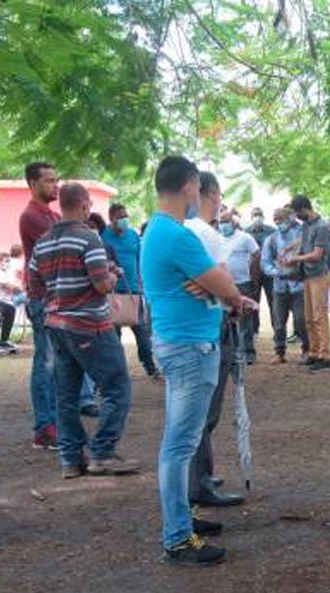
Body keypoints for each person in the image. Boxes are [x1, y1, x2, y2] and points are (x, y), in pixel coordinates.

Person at [141, 155, 246, 567]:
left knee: (179, 441)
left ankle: (182, 520)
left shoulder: (157, 230)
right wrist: (224, 291)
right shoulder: (178, 235)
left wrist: (216, 289)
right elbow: (224, 282)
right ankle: (178, 538)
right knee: (179, 445)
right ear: (189, 186)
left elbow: (215, 285)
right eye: (197, 189)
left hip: (179, 344)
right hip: (189, 349)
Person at [28, 182, 139, 479]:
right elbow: (102, 284)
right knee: (117, 387)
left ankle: (70, 459)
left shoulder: (43, 242)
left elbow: (35, 288)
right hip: (90, 326)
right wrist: (113, 275)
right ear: (84, 205)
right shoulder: (88, 238)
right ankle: (102, 453)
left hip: (57, 327)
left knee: (66, 396)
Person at [184, 171, 247, 507]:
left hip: (195, 328)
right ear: (213, 194)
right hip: (209, 330)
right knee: (204, 414)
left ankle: (201, 474)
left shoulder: (184, 231)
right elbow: (222, 281)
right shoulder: (206, 233)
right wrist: (235, 299)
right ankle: (199, 484)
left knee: (196, 413)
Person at [18, 161, 60, 450]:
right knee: (45, 362)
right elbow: (61, 247)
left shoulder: (53, 214)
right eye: (48, 181)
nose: (55, 185)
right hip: (42, 297)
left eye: (56, 180)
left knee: (56, 363)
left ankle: (54, 421)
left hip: (56, 297)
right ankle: (43, 427)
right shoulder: (31, 216)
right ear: (32, 184)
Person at [101, 203, 160, 379]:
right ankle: (117, 370)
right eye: (121, 217)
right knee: (114, 333)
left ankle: (150, 366)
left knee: (141, 330)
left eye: (126, 216)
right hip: (113, 292)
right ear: (112, 218)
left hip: (134, 290)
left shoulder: (133, 235)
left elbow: (140, 260)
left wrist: (142, 283)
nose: (125, 220)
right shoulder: (103, 237)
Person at [284, 194, 330, 371]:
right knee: (309, 318)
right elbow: (305, 241)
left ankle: (324, 355)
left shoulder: (322, 227)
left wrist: (296, 258)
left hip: (319, 275)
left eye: (297, 212)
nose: (296, 217)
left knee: (318, 316)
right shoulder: (308, 225)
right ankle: (314, 352)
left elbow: (317, 254)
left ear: (304, 209)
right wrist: (291, 247)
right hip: (307, 275)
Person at [261, 206, 309, 364]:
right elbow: (265, 263)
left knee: (301, 319)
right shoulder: (272, 239)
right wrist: (277, 272)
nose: (277, 222)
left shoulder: (301, 235)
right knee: (279, 321)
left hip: (298, 285)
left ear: (289, 219)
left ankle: (306, 350)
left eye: (280, 219)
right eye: (275, 220)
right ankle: (279, 352)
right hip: (280, 286)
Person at [220, 209, 261, 364]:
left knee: (245, 319)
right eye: (221, 222)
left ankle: (248, 352)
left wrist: (253, 275)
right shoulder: (216, 238)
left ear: (233, 222)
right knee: (226, 319)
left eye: (226, 222)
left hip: (243, 283)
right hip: (223, 285)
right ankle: (232, 353)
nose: (224, 225)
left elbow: (257, 254)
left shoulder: (245, 237)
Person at [245, 207, 277, 335]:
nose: (257, 217)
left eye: (259, 214)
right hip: (253, 272)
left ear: (263, 216)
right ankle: (254, 329)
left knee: (273, 301)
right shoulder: (246, 232)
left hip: (269, 272)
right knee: (253, 301)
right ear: (251, 217)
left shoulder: (272, 231)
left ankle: (277, 328)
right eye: (255, 215)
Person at [0, 252, 21, 353]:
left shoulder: (7, 273)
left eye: (8, 261)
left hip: (6, 302)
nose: (7, 263)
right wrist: (19, 287)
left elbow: (15, 286)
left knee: (11, 309)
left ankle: (3, 341)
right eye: (5, 261)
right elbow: (11, 287)